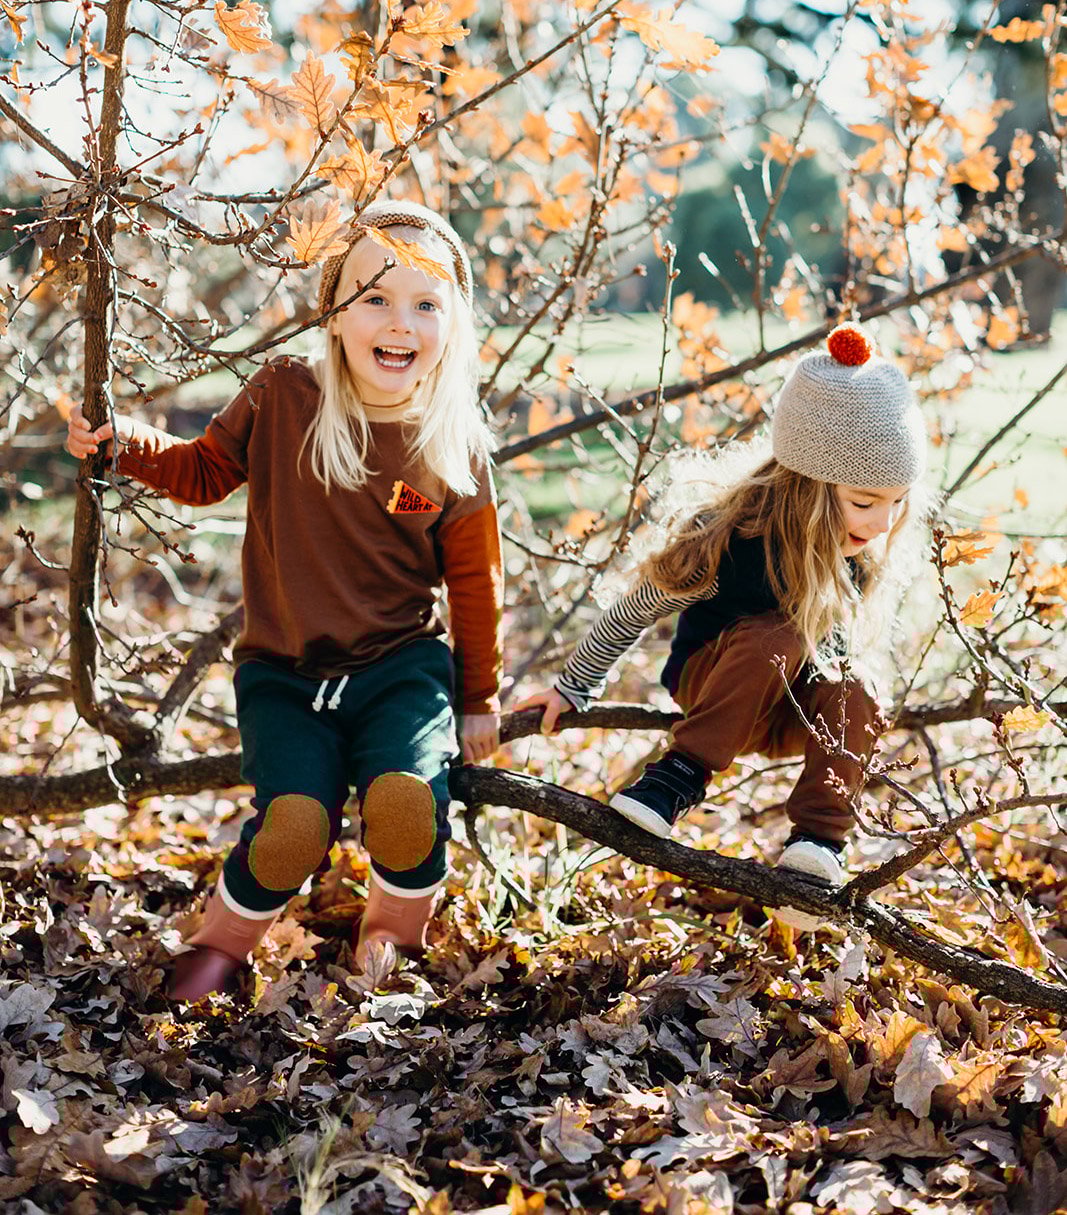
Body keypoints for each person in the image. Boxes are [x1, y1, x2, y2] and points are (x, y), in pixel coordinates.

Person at [67, 200, 503, 996]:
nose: (399, 321)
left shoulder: (452, 443)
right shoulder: (284, 396)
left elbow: (475, 582)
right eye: (374, 297)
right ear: (334, 313)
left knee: (405, 806)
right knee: (295, 825)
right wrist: (123, 442)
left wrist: (477, 697)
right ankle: (222, 944)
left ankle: (391, 931)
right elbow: (201, 473)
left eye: (425, 303)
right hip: (283, 674)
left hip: (399, 670)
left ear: (452, 325)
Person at [517, 324, 927, 929]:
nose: (884, 522)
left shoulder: (859, 551)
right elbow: (635, 611)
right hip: (714, 685)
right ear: (809, 485)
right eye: (866, 501)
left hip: (786, 706)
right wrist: (572, 687)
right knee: (778, 636)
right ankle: (677, 777)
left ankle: (818, 845)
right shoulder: (734, 542)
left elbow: (841, 667)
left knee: (858, 681)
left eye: (897, 503)